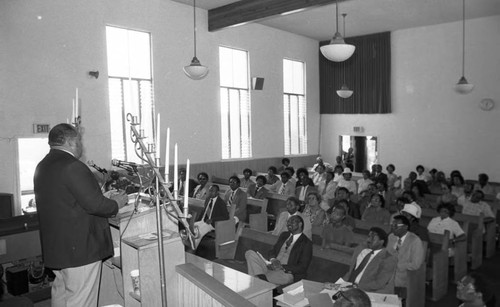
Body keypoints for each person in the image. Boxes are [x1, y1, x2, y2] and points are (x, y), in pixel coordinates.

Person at [34, 124, 128, 307]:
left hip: (58, 248)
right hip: (80, 249)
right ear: (70, 142)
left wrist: (100, 197)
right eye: (79, 141)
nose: (81, 146)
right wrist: (117, 202)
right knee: (80, 300)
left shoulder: (43, 165)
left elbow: (67, 201)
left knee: (61, 296)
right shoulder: (73, 166)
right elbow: (95, 205)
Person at [245, 215, 313, 285]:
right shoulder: (284, 235)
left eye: (292, 222)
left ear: (300, 224)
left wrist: (281, 267)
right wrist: (273, 259)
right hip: (270, 266)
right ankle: (263, 280)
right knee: (250, 253)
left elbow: (302, 267)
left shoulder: (306, 243)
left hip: (285, 272)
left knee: (259, 274)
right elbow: (273, 251)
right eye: (288, 222)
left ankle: (260, 278)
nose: (289, 224)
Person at [344, 227, 397, 294]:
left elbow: (379, 283)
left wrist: (356, 287)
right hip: (349, 286)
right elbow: (352, 272)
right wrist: (340, 284)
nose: (368, 240)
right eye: (368, 236)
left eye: (373, 238)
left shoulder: (389, 259)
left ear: (381, 242)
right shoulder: (362, 250)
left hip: (370, 292)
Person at [386, 215, 425, 299]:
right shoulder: (391, 237)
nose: (393, 228)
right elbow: (386, 254)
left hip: (404, 275)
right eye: (392, 225)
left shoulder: (415, 240)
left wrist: (398, 265)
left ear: (405, 227)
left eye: (396, 226)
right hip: (388, 272)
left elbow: (416, 264)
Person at [192, 185, 229, 250]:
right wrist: (198, 220)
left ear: (217, 192)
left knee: (199, 232)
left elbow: (226, 217)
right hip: (203, 221)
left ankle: (193, 248)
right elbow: (204, 210)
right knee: (192, 226)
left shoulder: (221, 203)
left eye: (212, 191)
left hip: (211, 223)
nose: (210, 192)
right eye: (210, 190)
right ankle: (189, 245)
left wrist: (212, 220)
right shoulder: (208, 198)